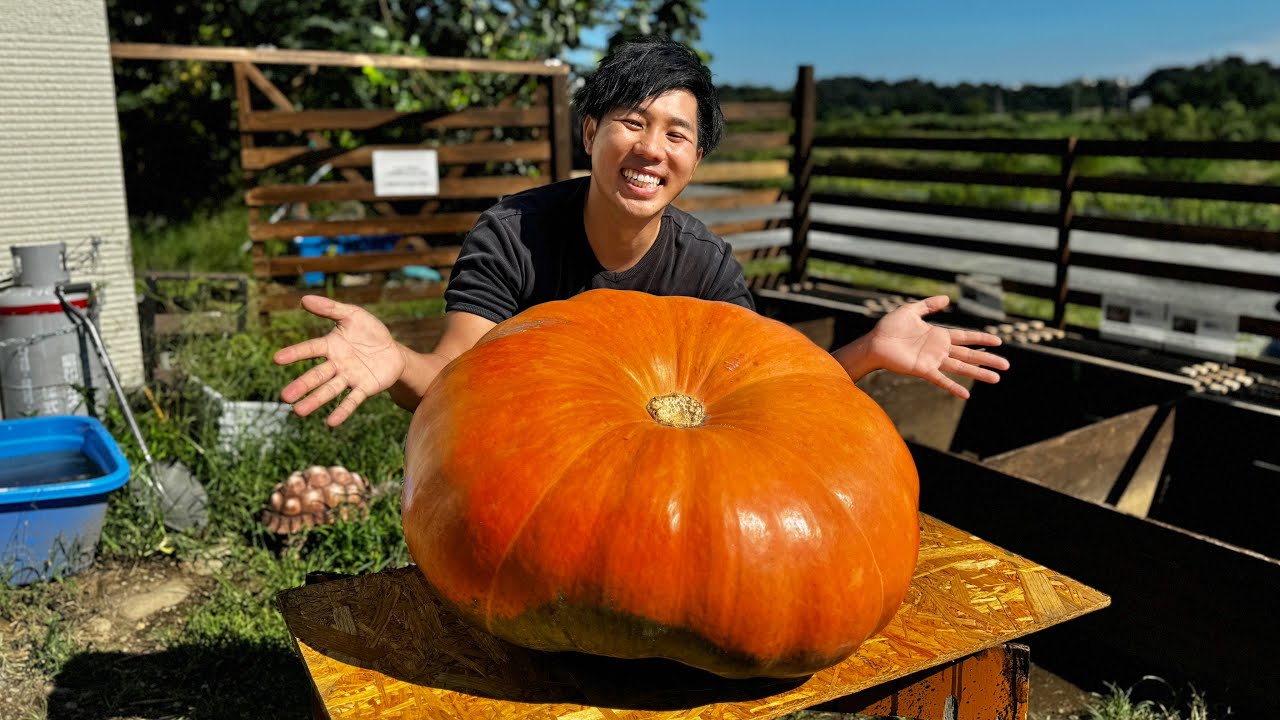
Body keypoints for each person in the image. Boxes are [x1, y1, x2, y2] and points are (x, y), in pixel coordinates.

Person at [274, 37, 1008, 427]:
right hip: (523, 471)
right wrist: (397, 359)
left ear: (694, 157)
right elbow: (455, 382)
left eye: (676, 134)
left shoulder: (706, 268)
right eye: (632, 121)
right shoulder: (513, 234)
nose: (651, 148)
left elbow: (759, 395)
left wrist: (868, 352)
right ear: (590, 132)